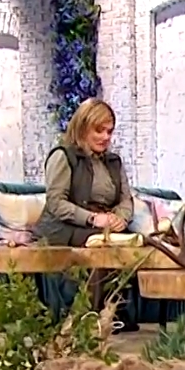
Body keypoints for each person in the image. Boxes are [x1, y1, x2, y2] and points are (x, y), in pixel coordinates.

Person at [33, 98, 140, 330]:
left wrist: (120, 218)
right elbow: (56, 203)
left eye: (109, 131)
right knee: (98, 245)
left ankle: (115, 315)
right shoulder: (63, 156)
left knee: (132, 242)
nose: (105, 137)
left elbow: (126, 199)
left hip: (103, 225)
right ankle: (86, 317)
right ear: (83, 128)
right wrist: (93, 218)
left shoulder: (114, 161)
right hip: (66, 226)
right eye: (99, 130)